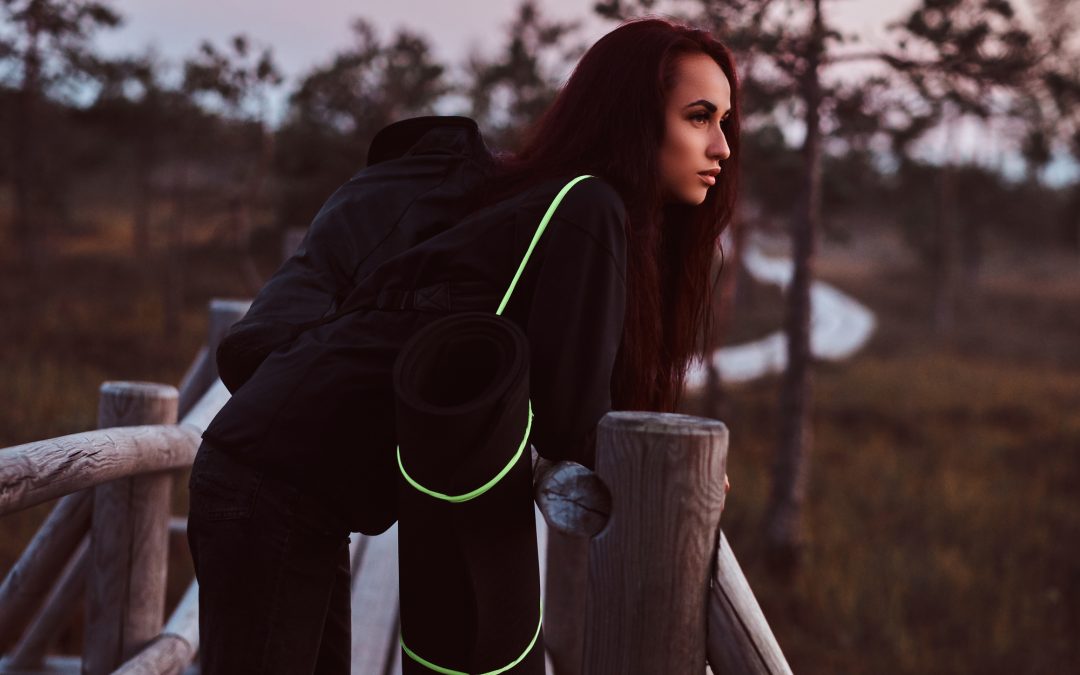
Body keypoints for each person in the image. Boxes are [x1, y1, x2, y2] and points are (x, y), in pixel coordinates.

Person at [187, 16, 739, 675]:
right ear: (632, 118)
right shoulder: (587, 208)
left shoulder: (547, 207)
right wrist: (680, 478)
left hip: (292, 481)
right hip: (267, 483)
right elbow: (574, 419)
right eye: (699, 117)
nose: (723, 147)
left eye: (724, 121)